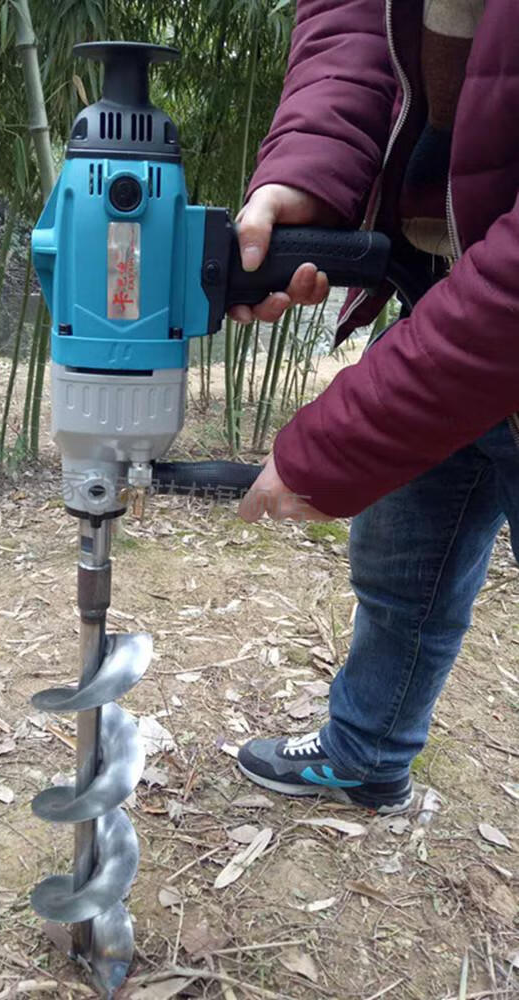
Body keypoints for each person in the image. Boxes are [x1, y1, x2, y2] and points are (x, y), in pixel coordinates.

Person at [231, 0, 519, 814]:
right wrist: (305, 180)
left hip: (496, 310)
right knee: (400, 572)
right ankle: (365, 754)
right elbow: (352, 25)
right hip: (441, 298)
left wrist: (335, 445)